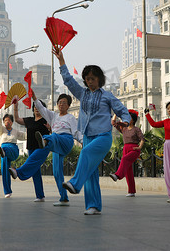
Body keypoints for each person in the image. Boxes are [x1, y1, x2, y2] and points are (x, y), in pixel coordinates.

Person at [54, 50, 131, 215]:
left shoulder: (107, 96)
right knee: (91, 172)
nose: (89, 82)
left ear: (99, 79)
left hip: (103, 136)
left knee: (86, 153)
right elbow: (68, 80)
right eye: (87, 79)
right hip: (87, 136)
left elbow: (123, 110)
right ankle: (93, 206)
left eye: (92, 78)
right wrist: (62, 61)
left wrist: (125, 120)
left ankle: (75, 183)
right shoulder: (82, 94)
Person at [10, 93, 80, 206]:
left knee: (53, 136)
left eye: (64, 103)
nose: (61, 105)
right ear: (57, 104)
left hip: (63, 140)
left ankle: (44, 141)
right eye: (60, 102)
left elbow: (76, 132)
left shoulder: (70, 117)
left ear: (68, 106)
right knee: (57, 172)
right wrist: (33, 96)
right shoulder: (53, 116)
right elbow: (40, 108)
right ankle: (64, 198)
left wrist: (82, 141)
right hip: (52, 144)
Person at [11, 99, 50, 202]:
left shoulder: (47, 120)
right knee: (36, 172)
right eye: (35, 106)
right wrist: (15, 106)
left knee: (31, 163)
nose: (36, 108)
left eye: (39, 106)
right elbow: (17, 119)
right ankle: (40, 196)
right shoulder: (29, 120)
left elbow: (54, 130)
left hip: (42, 148)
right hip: (31, 148)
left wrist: (50, 129)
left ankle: (18, 172)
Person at [109, 110, 144, 197]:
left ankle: (117, 175)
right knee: (128, 171)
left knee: (124, 159)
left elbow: (142, 139)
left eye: (129, 118)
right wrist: (116, 113)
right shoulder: (123, 129)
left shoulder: (136, 129)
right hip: (126, 148)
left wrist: (139, 147)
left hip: (134, 149)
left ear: (133, 120)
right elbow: (113, 122)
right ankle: (131, 191)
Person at [0, 113, 26, 198]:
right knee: (5, 170)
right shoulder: (1, 130)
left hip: (13, 150)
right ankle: (7, 191)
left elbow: (25, 136)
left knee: (5, 149)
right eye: (5, 120)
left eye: (9, 120)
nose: (7, 122)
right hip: (4, 152)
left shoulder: (15, 132)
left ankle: (3, 151)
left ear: (12, 122)